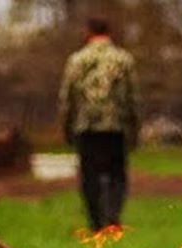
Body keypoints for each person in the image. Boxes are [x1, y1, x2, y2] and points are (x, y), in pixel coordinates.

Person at [58, 16, 139, 232]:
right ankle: (112, 219)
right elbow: (133, 97)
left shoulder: (76, 60)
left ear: (88, 32)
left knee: (89, 175)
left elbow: (67, 97)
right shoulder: (123, 59)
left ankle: (95, 224)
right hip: (115, 126)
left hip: (86, 127)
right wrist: (134, 128)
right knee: (116, 173)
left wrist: (67, 127)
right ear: (109, 31)